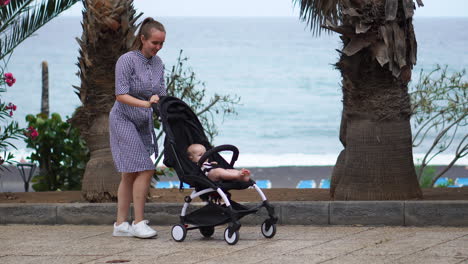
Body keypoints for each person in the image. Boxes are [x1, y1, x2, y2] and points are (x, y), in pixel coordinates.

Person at [109, 17, 167, 238]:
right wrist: (145, 103)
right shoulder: (126, 60)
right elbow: (120, 94)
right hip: (123, 119)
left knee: (129, 174)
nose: (158, 47)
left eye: (161, 43)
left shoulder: (158, 63)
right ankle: (139, 222)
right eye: (154, 42)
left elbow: (160, 92)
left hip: (143, 122)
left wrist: (161, 102)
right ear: (142, 39)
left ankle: (120, 225)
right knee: (146, 168)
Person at [187, 144, 251, 182]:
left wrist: (212, 164)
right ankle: (237, 176)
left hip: (213, 172)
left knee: (227, 170)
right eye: (200, 155)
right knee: (218, 171)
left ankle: (241, 174)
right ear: (191, 158)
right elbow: (196, 172)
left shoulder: (206, 163)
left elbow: (208, 166)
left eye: (205, 154)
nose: (204, 157)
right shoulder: (195, 165)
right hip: (208, 177)